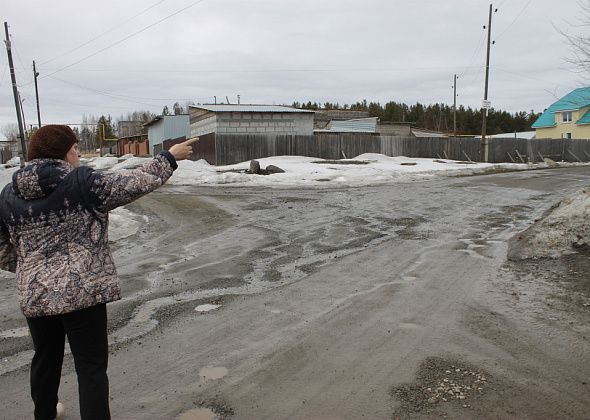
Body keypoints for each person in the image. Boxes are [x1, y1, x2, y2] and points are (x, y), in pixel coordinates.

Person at [0, 125, 197, 420]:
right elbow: (134, 182)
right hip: (83, 293)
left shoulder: (8, 194)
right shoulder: (82, 183)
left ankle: (44, 414)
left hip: (36, 294)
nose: (78, 153)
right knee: (90, 367)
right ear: (63, 152)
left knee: (45, 359)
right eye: (75, 147)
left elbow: (2, 249)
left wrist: (33, 267)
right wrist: (169, 157)